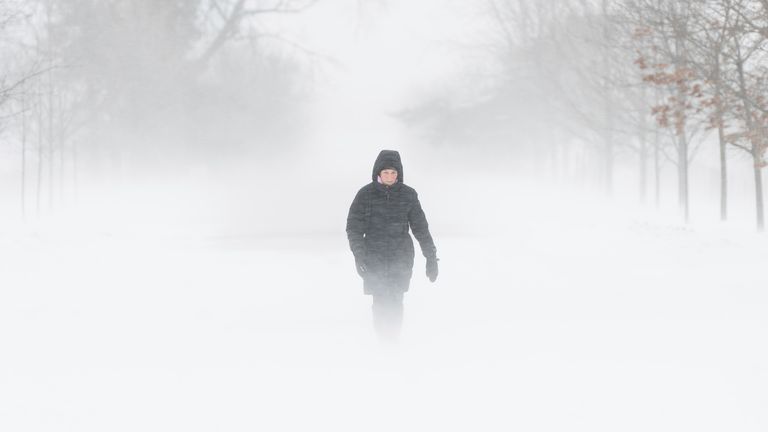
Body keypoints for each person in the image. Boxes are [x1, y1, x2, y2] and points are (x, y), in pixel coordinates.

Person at [346, 150, 439, 342]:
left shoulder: (408, 195)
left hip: (401, 258)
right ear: (378, 173)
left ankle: (392, 341)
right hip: (373, 257)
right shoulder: (365, 195)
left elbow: (421, 228)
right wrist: (359, 254)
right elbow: (354, 228)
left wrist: (431, 257)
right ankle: (383, 342)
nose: (389, 177)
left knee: (396, 300)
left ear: (399, 174)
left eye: (393, 173)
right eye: (386, 172)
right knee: (380, 301)